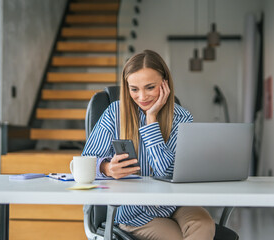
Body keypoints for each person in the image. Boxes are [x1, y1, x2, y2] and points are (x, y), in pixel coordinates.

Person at [82, 50, 215, 240]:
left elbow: (166, 171)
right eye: (134, 89)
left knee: (203, 224)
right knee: (174, 237)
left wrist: (151, 119)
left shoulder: (182, 117)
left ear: (165, 83)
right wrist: (107, 168)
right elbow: (86, 161)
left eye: (150, 87)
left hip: (175, 204)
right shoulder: (114, 113)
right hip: (134, 211)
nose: (142, 96)